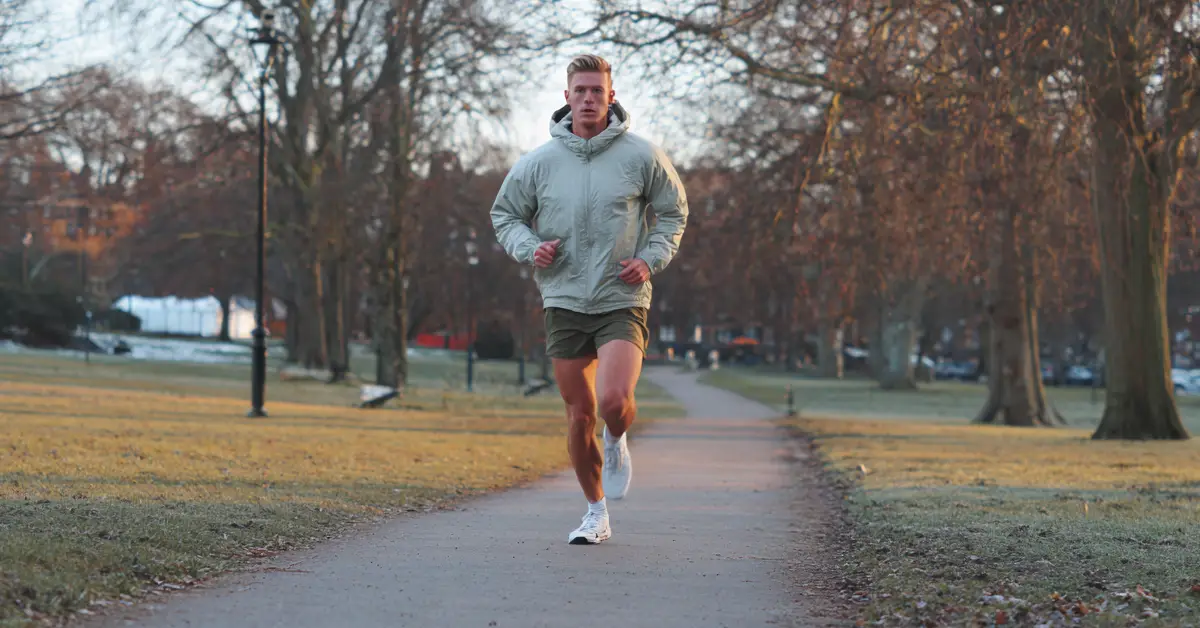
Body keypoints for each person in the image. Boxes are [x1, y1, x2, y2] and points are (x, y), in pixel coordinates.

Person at [490, 54, 689, 545]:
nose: (588, 99)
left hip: (621, 294)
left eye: (596, 91)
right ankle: (595, 513)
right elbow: (505, 216)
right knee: (579, 413)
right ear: (566, 97)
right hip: (562, 296)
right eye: (579, 90)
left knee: (615, 402)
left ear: (611, 96)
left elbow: (673, 213)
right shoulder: (538, 163)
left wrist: (650, 257)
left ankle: (617, 437)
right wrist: (529, 247)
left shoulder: (642, 155)